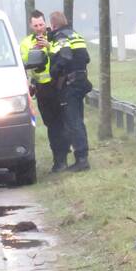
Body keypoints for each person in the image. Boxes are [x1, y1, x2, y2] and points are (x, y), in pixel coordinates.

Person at [18, 10, 69, 172]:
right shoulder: (26, 43)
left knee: (61, 124)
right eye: (36, 25)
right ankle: (59, 158)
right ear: (30, 26)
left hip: (58, 86)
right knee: (50, 124)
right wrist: (34, 51)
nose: (39, 28)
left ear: (45, 23)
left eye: (41, 24)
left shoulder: (55, 36)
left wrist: (48, 47)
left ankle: (61, 159)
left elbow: (64, 55)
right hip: (41, 89)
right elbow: (23, 64)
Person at [47, 11, 92, 172]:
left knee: (73, 122)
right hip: (81, 80)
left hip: (70, 84)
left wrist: (54, 71)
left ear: (53, 24)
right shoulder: (75, 35)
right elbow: (86, 58)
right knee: (78, 120)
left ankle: (81, 159)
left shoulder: (60, 37)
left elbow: (64, 57)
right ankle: (82, 156)